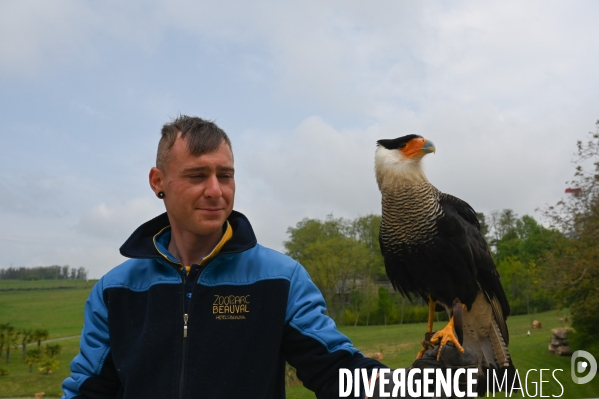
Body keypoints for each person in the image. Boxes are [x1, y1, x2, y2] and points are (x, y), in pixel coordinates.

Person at [62, 115, 475, 399]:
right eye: (196, 175)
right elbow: (90, 390)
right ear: (158, 182)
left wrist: (420, 388)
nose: (215, 190)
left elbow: (337, 371)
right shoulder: (116, 290)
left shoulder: (280, 278)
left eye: (225, 175)